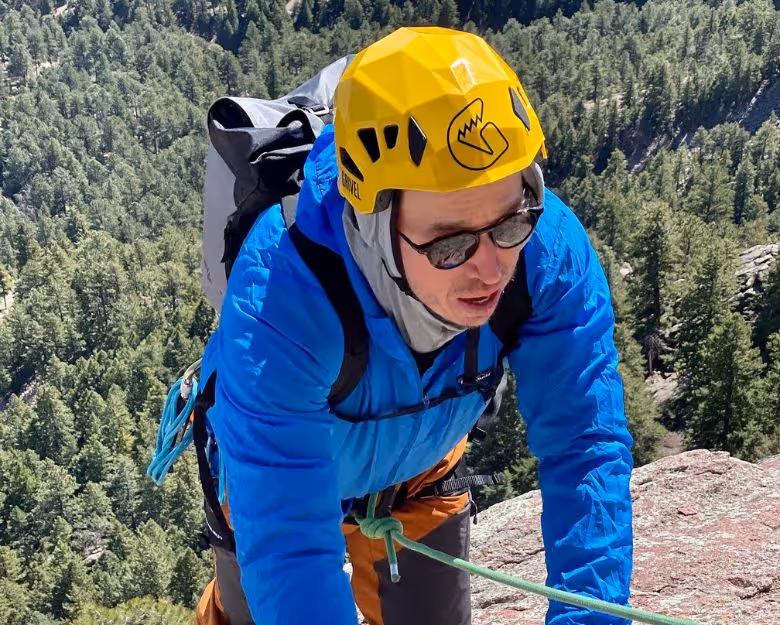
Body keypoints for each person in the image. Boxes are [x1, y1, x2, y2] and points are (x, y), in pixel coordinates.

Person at [194, 26, 634, 625]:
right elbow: (287, 538)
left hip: (419, 475)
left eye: (510, 221)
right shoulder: (279, 295)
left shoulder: (547, 250)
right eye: (450, 243)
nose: (489, 268)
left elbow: (584, 447)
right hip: (271, 484)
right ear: (370, 218)